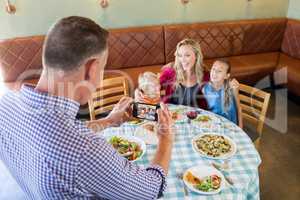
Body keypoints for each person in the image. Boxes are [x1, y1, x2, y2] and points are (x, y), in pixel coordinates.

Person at [0, 16, 174, 199]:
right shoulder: (86, 150)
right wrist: (166, 139)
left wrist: (108, 121)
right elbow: (149, 191)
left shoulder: (5, 104)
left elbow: (60, 130)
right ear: (92, 69)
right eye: (103, 69)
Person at [159, 38, 209, 109]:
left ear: (197, 56)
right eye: (180, 55)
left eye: (187, 55)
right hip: (171, 115)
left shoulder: (206, 76)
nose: (183, 60)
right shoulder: (170, 72)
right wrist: (138, 91)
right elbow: (152, 85)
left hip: (195, 117)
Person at [202, 59, 243, 127]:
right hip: (213, 124)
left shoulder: (232, 88)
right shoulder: (205, 88)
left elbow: (239, 109)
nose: (214, 73)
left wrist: (241, 129)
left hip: (230, 126)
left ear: (226, 76)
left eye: (219, 71)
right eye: (213, 69)